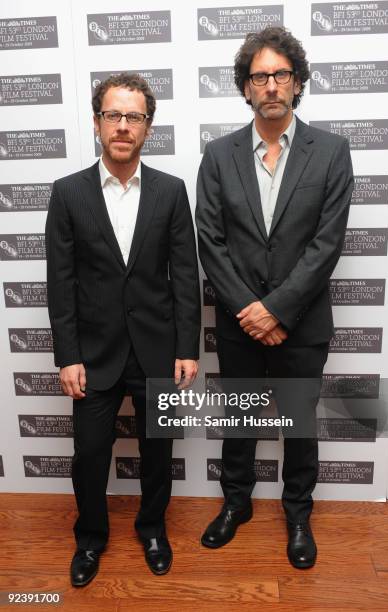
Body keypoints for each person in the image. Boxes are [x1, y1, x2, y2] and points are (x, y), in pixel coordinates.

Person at [195, 26, 353, 568]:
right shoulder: (217, 156)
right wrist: (252, 312)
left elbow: (326, 243)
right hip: (240, 321)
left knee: (299, 425)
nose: (270, 85)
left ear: (298, 82)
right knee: (237, 422)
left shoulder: (331, 152)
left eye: (280, 74)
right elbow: (210, 241)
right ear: (245, 88)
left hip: (302, 325)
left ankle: (298, 514)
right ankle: (235, 505)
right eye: (259, 76)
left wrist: (279, 309)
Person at [45, 73, 200, 585]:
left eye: (134, 117)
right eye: (114, 114)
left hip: (157, 349)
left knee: (159, 450)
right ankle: (90, 538)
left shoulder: (172, 192)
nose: (123, 125)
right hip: (92, 354)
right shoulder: (67, 194)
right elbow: (60, 282)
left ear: (148, 128)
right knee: (90, 454)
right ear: (97, 123)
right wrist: (67, 356)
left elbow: (184, 276)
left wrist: (187, 347)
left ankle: (152, 528)